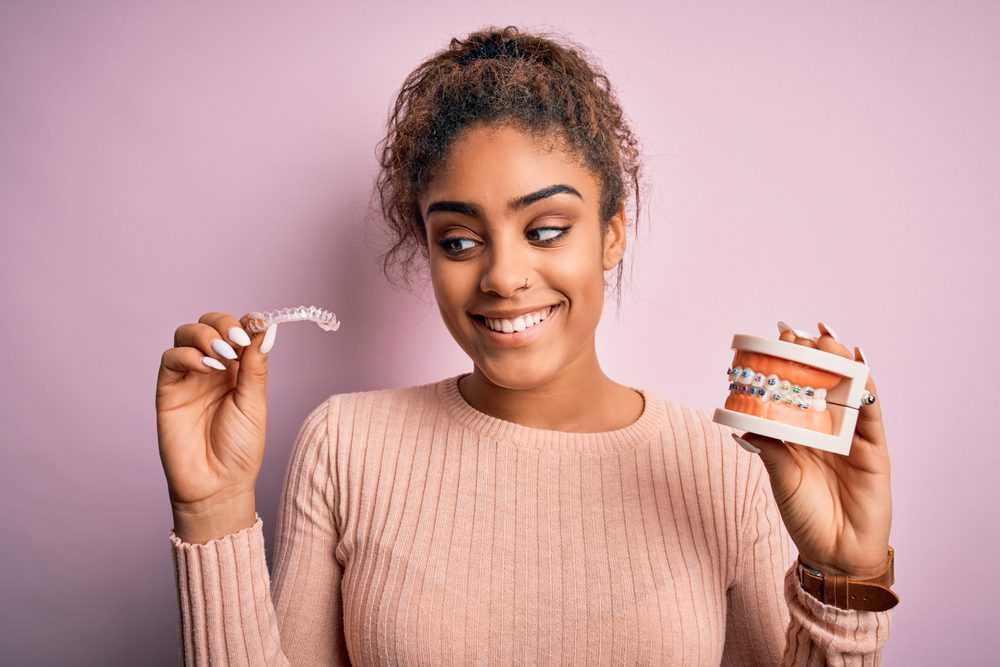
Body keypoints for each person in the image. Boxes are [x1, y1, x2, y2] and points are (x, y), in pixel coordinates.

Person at [156, 25, 896, 665]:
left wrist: (843, 580)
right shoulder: (346, 446)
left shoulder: (725, 471)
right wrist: (214, 507)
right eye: (460, 238)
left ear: (613, 232)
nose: (504, 276)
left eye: (545, 230)